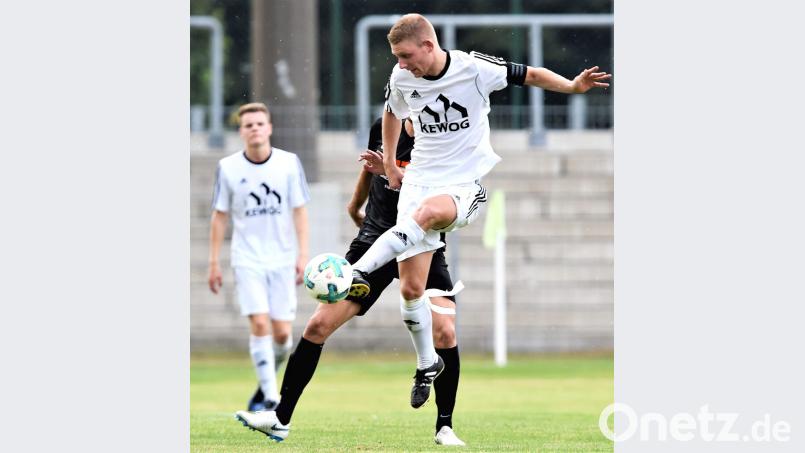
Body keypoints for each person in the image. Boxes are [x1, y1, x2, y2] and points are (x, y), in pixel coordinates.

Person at [347, 13, 611, 405]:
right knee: (411, 289)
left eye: (405, 55)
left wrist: (572, 87)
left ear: (428, 45)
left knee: (425, 217)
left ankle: (355, 270)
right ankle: (425, 364)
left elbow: (532, 75)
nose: (401, 64)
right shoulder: (402, 77)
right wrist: (388, 164)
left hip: (460, 186)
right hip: (417, 182)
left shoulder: (474, 68)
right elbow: (391, 111)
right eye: (397, 57)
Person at [235, 117, 467, 446]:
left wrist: (388, 170)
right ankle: (280, 418)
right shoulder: (385, 125)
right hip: (373, 239)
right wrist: (355, 205)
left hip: (422, 245)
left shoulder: (442, 135)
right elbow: (370, 169)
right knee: (318, 325)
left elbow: (435, 190)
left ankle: (444, 426)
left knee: (446, 331)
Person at [208, 102, 310, 412]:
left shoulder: (289, 163)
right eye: (248, 124)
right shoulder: (228, 168)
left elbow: (300, 210)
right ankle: (270, 397)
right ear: (241, 132)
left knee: (282, 335)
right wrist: (214, 262)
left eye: (259, 123)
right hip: (247, 259)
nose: (254, 128)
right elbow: (219, 216)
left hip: (281, 257)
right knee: (260, 324)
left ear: (269, 128)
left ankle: (265, 383)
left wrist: (303, 254)